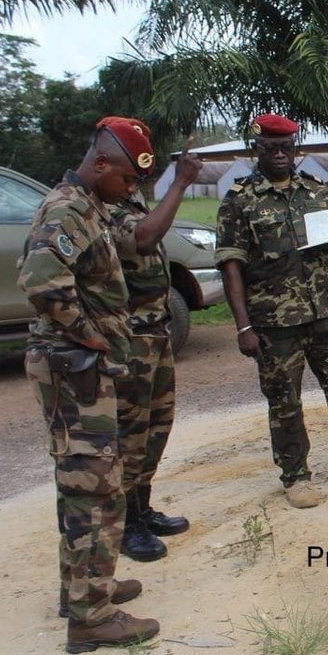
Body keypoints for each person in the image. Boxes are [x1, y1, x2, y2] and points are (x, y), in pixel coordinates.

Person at [19, 116, 160, 652]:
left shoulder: (89, 206)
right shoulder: (70, 209)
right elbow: (39, 282)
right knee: (96, 487)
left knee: (85, 483)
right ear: (101, 165)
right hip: (73, 366)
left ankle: (80, 589)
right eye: (127, 180)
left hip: (75, 365)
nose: (132, 191)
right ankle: (91, 618)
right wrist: (92, 335)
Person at [215, 113, 328, 508]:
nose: (279, 154)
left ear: (296, 149)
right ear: (256, 150)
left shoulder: (317, 191)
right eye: (270, 148)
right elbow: (231, 266)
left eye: (286, 147)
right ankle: (296, 476)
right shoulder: (239, 200)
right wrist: (243, 327)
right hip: (275, 322)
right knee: (284, 401)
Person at [109, 139, 203, 563]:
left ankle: (142, 508)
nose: (135, 182)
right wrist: (180, 183)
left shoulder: (129, 200)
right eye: (132, 173)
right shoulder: (103, 208)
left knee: (157, 424)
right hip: (128, 337)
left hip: (154, 331)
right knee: (130, 431)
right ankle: (126, 524)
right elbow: (144, 241)